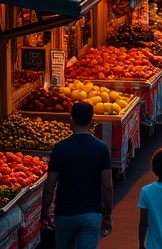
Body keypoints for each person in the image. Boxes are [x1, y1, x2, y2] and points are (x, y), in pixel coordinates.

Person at [42, 102, 113, 249]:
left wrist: (45, 212)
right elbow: (107, 186)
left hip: (64, 213)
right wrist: (107, 215)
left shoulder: (60, 148)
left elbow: (50, 185)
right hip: (91, 213)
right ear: (91, 120)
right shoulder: (101, 148)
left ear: (71, 119)